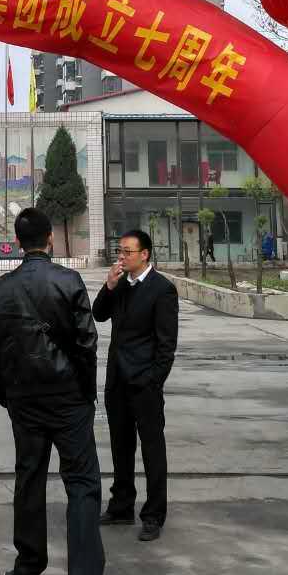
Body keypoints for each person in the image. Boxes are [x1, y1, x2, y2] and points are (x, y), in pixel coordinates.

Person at [0, 208, 105, 575]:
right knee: (82, 483)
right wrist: (85, 392)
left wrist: (7, 393)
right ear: (50, 238)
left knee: (29, 477)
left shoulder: (1, 288)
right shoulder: (69, 280)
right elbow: (87, 342)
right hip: (69, 398)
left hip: (25, 399)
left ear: (17, 242)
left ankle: (27, 570)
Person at [94, 229, 178, 542]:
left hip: (144, 383)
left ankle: (153, 514)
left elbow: (166, 345)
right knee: (121, 445)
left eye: (127, 252)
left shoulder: (162, 289)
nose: (122, 256)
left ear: (145, 254)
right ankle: (121, 505)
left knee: (152, 449)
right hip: (117, 380)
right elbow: (98, 314)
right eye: (120, 251)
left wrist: (153, 380)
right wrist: (108, 285)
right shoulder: (120, 285)